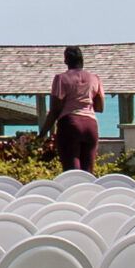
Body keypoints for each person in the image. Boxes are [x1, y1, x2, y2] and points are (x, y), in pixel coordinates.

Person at [43, 45, 103, 173]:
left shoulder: (61, 79)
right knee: (88, 171)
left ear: (66, 61)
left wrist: (42, 134)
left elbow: (55, 110)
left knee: (72, 171)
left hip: (70, 124)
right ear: (82, 60)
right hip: (91, 125)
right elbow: (99, 107)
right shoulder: (95, 78)